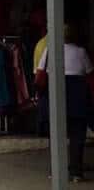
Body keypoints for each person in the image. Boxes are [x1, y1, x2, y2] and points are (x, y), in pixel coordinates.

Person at [37, 24, 94, 182]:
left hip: (55, 98)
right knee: (77, 137)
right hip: (77, 100)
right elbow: (90, 77)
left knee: (56, 136)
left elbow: (39, 76)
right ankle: (76, 172)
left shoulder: (49, 50)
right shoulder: (81, 52)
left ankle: (56, 170)